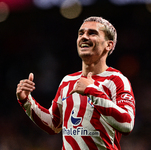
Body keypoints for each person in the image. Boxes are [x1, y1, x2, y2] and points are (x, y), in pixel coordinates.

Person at [16, 16, 135, 150]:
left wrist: (92, 90)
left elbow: (127, 124)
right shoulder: (68, 81)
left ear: (109, 44)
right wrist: (26, 101)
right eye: (81, 33)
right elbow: (54, 125)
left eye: (92, 33)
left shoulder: (116, 80)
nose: (84, 37)